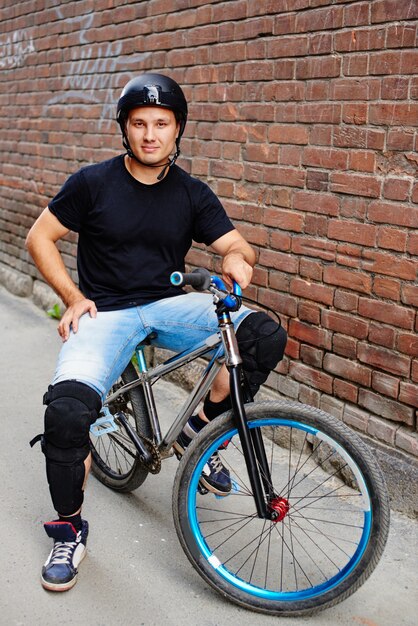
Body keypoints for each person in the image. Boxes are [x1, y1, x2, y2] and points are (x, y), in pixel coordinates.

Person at [26, 73, 287, 592]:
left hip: (169, 306)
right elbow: (41, 236)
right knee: (67, 414)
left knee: (261, 335)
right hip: (107, 314)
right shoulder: (93, 182)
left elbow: (237, 246)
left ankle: (200, 437)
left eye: (161, 124)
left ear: (177, 130)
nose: (150, 134)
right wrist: (74, 299)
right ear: (125, 129)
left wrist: (237, 261)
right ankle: (70, 530)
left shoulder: (191, 192)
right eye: (139, 123)